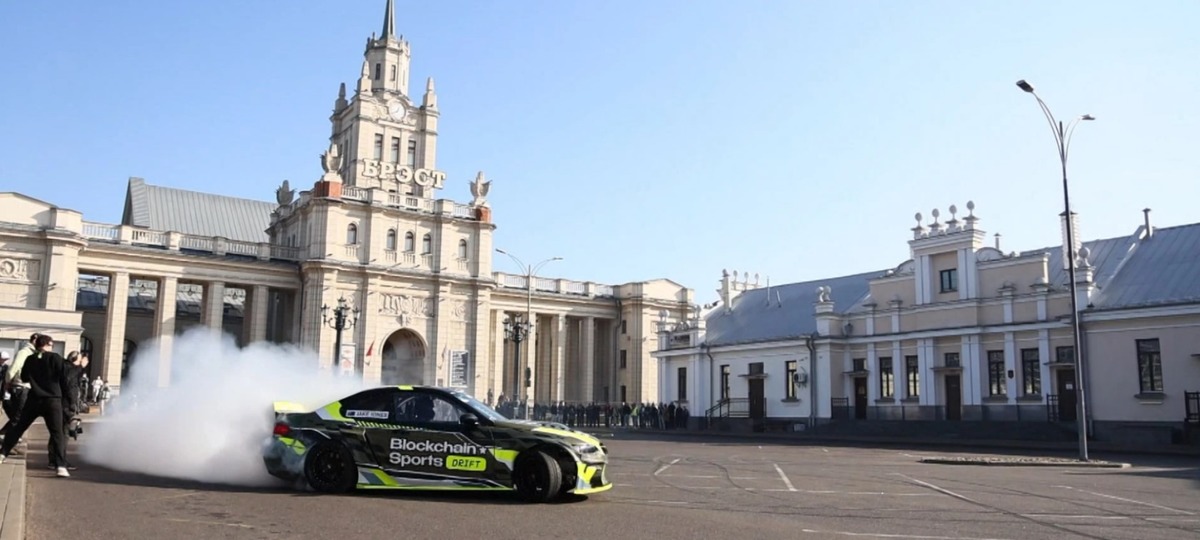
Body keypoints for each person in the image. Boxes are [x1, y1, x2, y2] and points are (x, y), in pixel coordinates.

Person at [0, 335, 73, 477]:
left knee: (18, 428)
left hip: (33, 399)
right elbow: (65, 379)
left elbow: (25, 377)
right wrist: (68, 400)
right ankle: (60, 466)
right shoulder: (56, 358)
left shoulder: (30, 359)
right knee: (57, 433)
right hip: (53, 400)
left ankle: (2, 454)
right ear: (47, 344)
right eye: (52, 344)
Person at [1, 333, 40, 436]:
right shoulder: (24, 352)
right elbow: (13, 368)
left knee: (19, 416)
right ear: (34, 341)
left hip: (27, 388)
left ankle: (6, 435)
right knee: (18, 416)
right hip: (20, 387)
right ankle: (8, 438)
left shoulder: (35, 353)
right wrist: (8, 381)